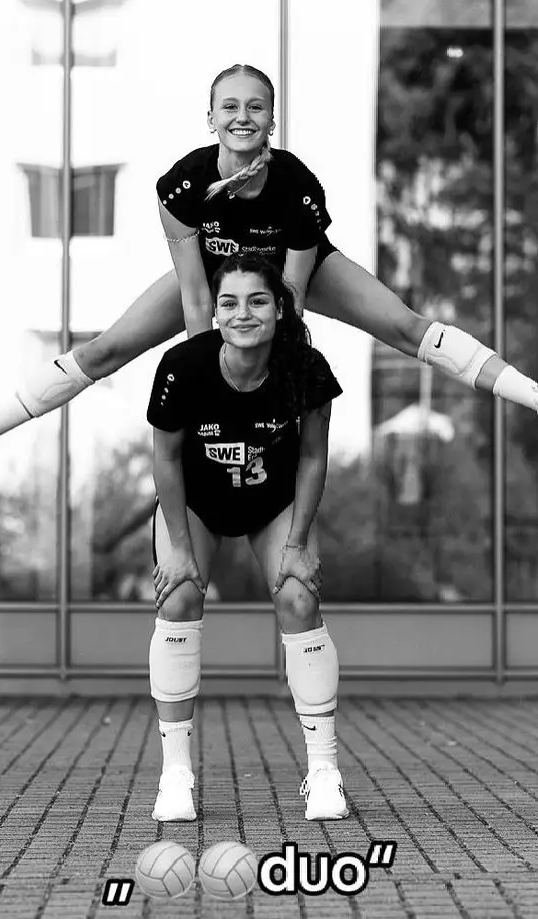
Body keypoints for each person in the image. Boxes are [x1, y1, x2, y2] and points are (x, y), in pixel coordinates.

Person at [0, 64, 538, 468]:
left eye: (256, 107)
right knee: (107, 348)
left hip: (288, 277)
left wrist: (268, 380)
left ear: (272, 121)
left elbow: (288, 301)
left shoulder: (296, 185)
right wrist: (204, 379)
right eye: (230, 106)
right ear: (210, 118)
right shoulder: (181, 186)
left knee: (403, 325)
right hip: (215, 275)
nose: (243, 116)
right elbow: (193, 297)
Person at [147, 251, 346, 823]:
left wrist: (296, 544)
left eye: (257, 301)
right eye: (229, 302)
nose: (243, 313)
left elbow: (313, 458)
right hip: (197, 505)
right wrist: (179, 549)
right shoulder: (182, 367)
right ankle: (176, 775)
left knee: (299, 598)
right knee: (179, 596)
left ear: (280, 308)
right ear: (214, 312)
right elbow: (166, 458)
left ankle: (324, 771)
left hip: (272, 504)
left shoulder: (305, 368)